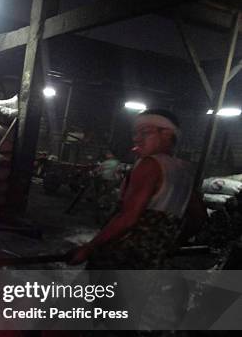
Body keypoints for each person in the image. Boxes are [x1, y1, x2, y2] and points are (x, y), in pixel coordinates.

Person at [68, 109, 206, 269]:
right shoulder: (184, 171)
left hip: (122, 258)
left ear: (167, 134)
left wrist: (90, 247)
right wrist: (174, 244)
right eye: (136, 133)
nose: (136, 139)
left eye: (145, 132)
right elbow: (199, 217)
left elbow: (128, 217)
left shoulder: (150, 164)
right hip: (151, 263)